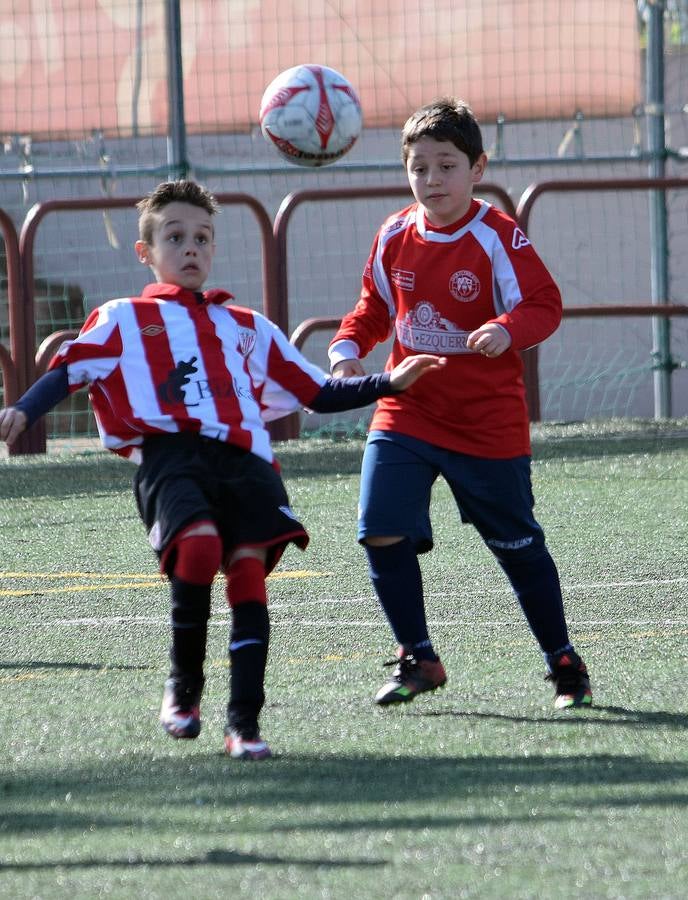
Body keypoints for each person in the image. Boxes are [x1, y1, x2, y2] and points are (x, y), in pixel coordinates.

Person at [0, 179, 445, 759]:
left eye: (203, 238)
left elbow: (316, 391)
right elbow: (69, 370)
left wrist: (389, 381)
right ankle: (183, 689)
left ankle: (244, 725)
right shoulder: (122, 317)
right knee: (200, 545)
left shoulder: (247, 326)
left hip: (247, 461)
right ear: (145, 252)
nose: (191, 247)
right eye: (175, 237)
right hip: (172, 457)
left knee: (247, 573)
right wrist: (23, 409)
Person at [328, 98, 592, 710]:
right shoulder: (393, 234)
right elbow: (373, 308)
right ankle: (418, 657)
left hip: (486, 421)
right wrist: (346, 349)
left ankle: (564, 662)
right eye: (419, 167)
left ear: (477, 168)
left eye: (446, 166)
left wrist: (506, 327)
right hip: (407, 409)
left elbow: (544, 304)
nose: (432, 180)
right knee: (380, 529)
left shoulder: (496, 234)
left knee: (517, 546)